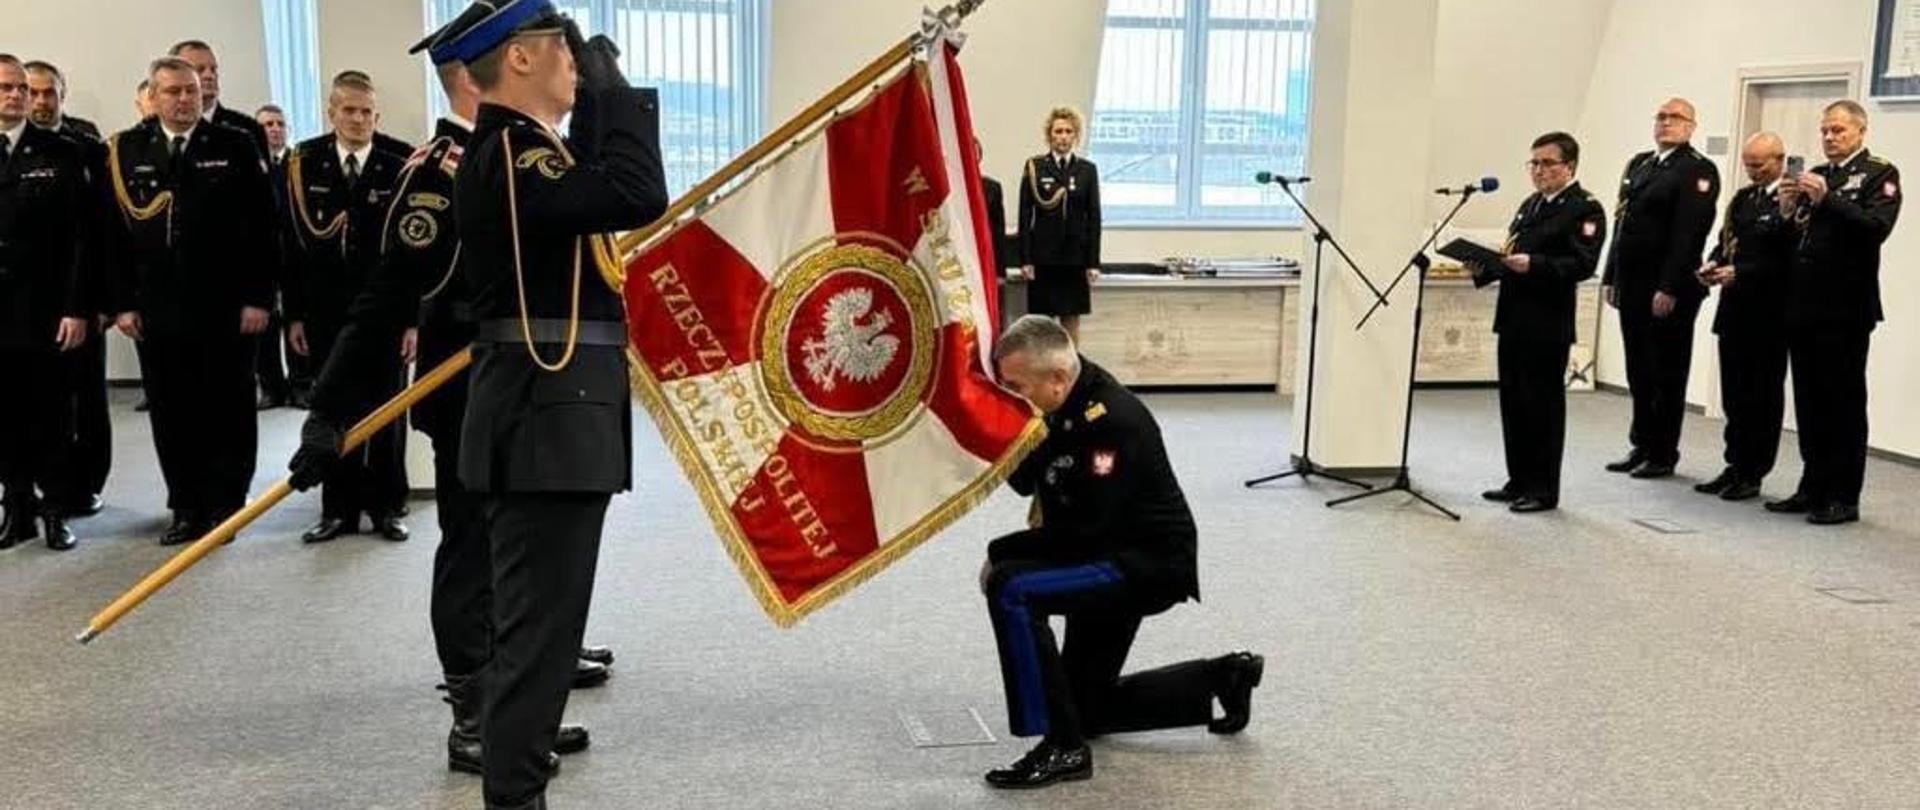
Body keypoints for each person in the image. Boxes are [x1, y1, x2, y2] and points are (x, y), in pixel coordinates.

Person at [298, 2, 665, 806]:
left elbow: (601, 207)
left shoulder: (530, 153)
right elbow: (638, 192)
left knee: (536, 628)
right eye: (566, 51)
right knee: (520, 621)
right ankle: (495, 745)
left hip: (543, 410)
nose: (578, 63)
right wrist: (621, 95)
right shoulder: (506, 157)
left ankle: (509, 739)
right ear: (522, 60)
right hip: (538, 416)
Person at [979, 315, 1263, 789]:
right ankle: (1220, 680)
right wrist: (990, 422)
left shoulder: (1112, 420)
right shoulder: (1059, 403)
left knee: (1012, 587)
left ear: (1056, 378)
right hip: (1107, 553)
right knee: (1084, 707)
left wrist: (1000, 551)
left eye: (1015, 386)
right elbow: (1028, 479)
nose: (1012, 395)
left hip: (1141, 565)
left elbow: (1086, 533)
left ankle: (1063, 748)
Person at [106, 57, 278, 545]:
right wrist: (122, 303)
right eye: (174, 92)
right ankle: (185, 504)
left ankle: (227, 504)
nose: (184, 100)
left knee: (229, 406)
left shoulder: (235, 145)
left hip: (226, 305)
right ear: (154, 96)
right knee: (172, 409)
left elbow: (263, 228)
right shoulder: (125, 150)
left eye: (192, 91)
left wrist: (259, 298)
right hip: (158, 309)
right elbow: (112, 236)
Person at [282, 72, 411, 544]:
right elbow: (291, 245)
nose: (358, 120)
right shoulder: (302, 163)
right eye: (348, 110)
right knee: (332, 408)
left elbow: (418, 249)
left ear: (377, 115)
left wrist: (414, 320)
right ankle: (337, 509)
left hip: (387, 312)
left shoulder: (401, 161)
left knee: (388, 410)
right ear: (330, 112)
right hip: (324, 312)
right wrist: (293, 313)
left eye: (366, 112)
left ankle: (388, 507)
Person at [1765, 101, 1903, 525]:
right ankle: (1813, 485)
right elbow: (1798, 238)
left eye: (1838, 130)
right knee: (1809, 401)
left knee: (1842, 400)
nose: (1829, 138)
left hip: (1846, 306)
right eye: (1825, 130)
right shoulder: (1818, 176)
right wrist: (1789, 213)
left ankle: (1844, 495)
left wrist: (1829, 202)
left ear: (1860, 132)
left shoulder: (1881, 173)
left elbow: (1874, 229)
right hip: (1804, 304)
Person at [1480, 132, 1607, 514]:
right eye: (1533, 163)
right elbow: (1511, 251)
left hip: (1547, 320)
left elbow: (1583, 264)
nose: (1538, 171)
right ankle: (1518, 478)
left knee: (1542, 406)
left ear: (1569, 166)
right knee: (1514, 402)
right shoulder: (1530, 204)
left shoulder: (1585, 209)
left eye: (1547, 163)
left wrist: (1535, 264)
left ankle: (1543, 488)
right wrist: (1485, 267)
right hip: (1514, 316)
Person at [1599, 97, 1720, 480]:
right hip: (1632, 283)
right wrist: (1610, 276)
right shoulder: (1640, 164)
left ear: (1691, 126)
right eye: (1661, 117)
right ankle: (1642, 442)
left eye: (1675, 118)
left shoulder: (1697, 170)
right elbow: (1622, 226)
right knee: (1639, 368)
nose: (1666, 123)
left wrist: (1668, 286)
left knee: (1665, 370)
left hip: (1668, 288)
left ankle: (1664, 452)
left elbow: (1689, 233)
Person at [0, 54, 90, 550]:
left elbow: (80, 238)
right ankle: (16, 510)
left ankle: (56, 510)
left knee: (52, 416)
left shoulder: (61, 150)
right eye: (6, 88)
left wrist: (76, 307)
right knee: (6, 417)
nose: (15, 96)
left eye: (20, 87)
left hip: (47, 310)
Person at [24, 59, 111, 517]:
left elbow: (98, 233)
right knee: (33, 402)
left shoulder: (86, 147)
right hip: (24, 303)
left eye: (47, 92)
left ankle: (86, 485)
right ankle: (31, 490)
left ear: (63, 93)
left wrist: (101, 301)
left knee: (86, 400)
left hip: (78, 300)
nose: (40, 101)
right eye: (31, 92)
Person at [1694, 132, 1795, 503]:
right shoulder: (1743, 199)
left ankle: (1753, 471)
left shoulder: (1792, 200)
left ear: (1780, 160)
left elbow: (1789, 258)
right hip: (1734, 309)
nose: (1753, 170)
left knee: (1762, 396)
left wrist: (1743, 273)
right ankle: (1734, 464)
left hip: (1770, 312)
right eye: (1748, 163)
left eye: (1760, 164)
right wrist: (1712, 264)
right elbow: (1727, 242)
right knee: (1735, 395)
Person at [1017, 106, 1101, 344]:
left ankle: (1070, 373)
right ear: (1049, 135)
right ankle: (1042, 375)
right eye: (1058, 131)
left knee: (1071, 317)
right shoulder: (1035, 167)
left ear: (1076, 136)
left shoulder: (1087, 170)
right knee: (1041, 322)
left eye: (1068, 131)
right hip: (1044, 256)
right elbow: (1025, 216)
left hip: (1075, 257)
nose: (1063, 136)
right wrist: (1025, 259)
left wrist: (1093, 262)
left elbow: (1094, 218)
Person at [252, 103, 294, 410]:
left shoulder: (297, 163)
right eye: (267, 124)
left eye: (279, 123)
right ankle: (271, 386)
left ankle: (301, 385)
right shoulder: (251, 165)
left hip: (293, 255)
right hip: (263, 255)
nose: (275, 129)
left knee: (296, 321)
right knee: (265, 328)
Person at [168, 40, 271, 162]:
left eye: (213, 69)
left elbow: (263, 180)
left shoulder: (247, 129)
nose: (209, 75)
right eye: (200, 70)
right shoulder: (153, 132)